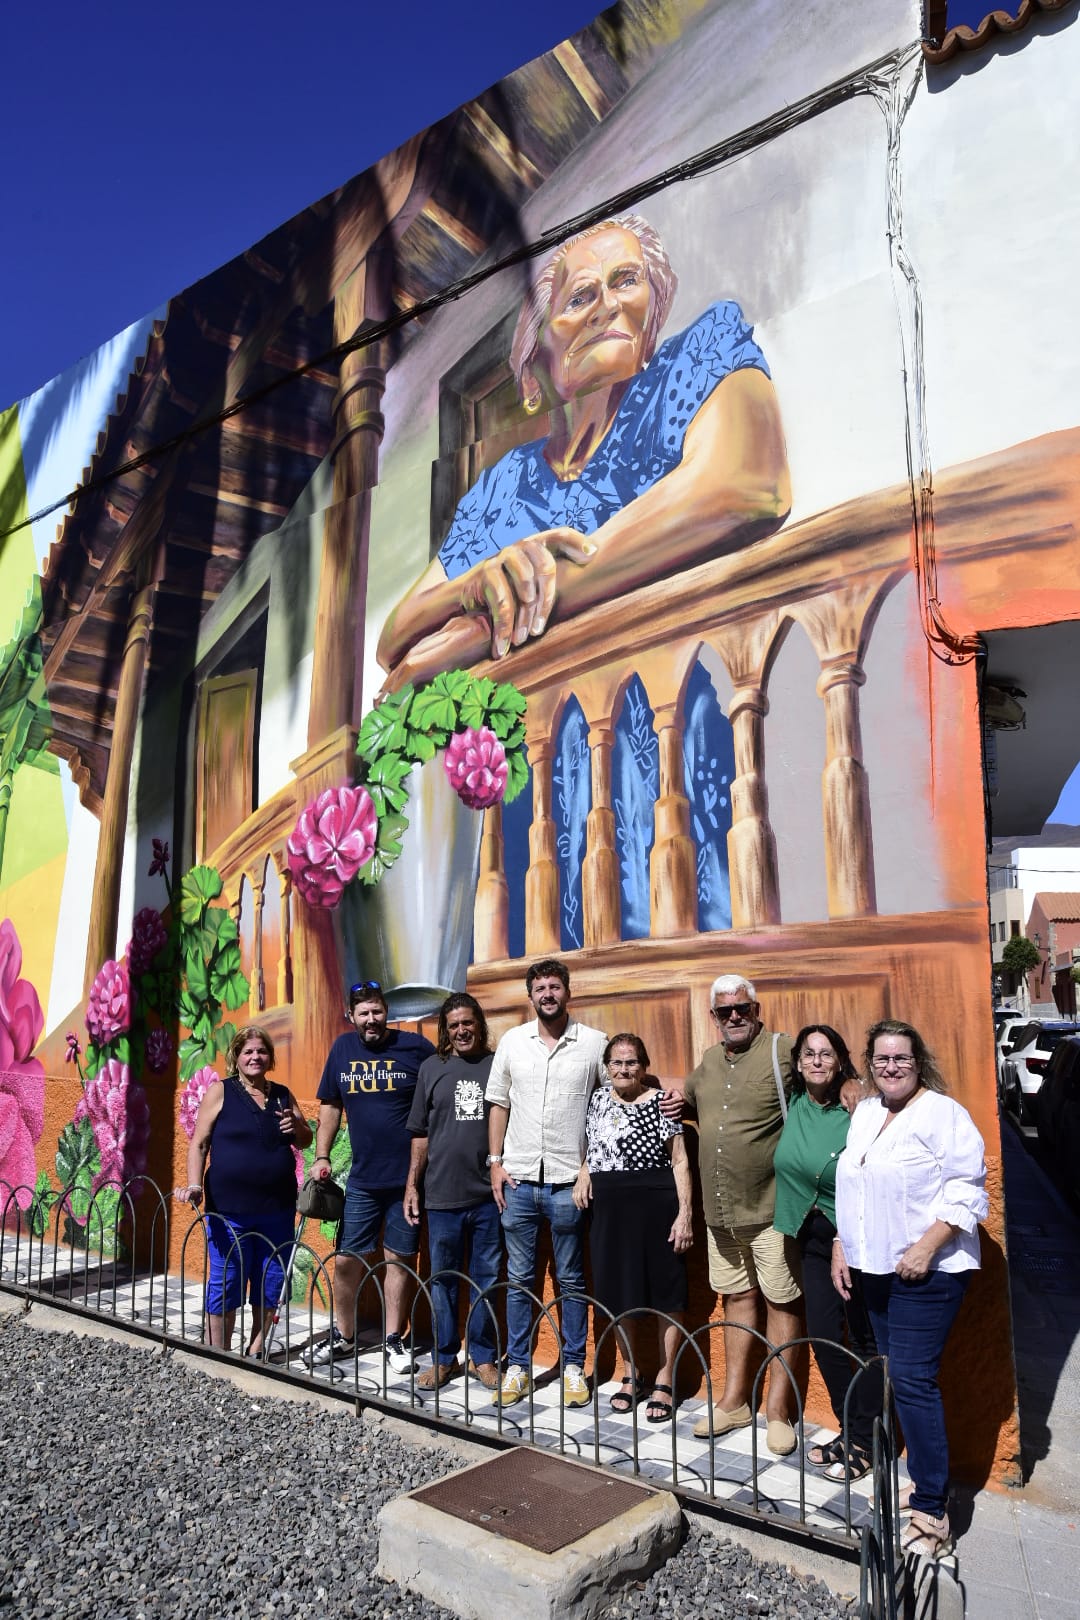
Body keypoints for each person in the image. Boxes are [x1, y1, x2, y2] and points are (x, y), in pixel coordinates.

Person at [376, 213, 790, 693]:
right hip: (539, 755)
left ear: (651, 317)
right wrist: (472, 590)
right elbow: (395, 638)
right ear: (533, 373)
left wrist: (487, 625)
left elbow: (747, 487)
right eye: (580, 296)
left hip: (670, 728)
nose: (607, 305)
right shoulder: (500, 486)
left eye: (626, 281)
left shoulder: (693, 362)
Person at [683, 975, 868, 1452]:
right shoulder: (706, 1061)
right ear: (714, 1018)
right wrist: (662, 1095)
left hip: (770, 1211)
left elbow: (821, 1065)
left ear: (756, 1008)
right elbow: (685, 1096)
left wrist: (849, 1081)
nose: (734, 1017)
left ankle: (779, 1411)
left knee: (782, 1304)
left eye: (741, 1008)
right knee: (737, 1301)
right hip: (720, 1215)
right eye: (724, 1012)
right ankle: (733, 1402)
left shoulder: (781, 1049)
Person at [833, 1020, 988, 1559]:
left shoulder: (943, 1114)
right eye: (881, 1059)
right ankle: (922, 1481)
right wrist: (840, 1244)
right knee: (896, 1377)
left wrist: (927, 1247)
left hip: (928, 1272)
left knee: (915, 1380)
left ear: (918, 1062)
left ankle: (933, 1509)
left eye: (900, 1058)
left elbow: (967, 1189)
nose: (891, 1067)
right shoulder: (869, 1113)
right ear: (870, 1065)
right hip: (875, 1269)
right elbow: (853, 1185)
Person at [485, 958, 608, 1408]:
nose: (548, 994)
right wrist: (495, 1162)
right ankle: (518, 1366)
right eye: (540, 988)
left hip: (568, 1183)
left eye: (555, 986)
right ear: (530, 995)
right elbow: (498, 1103)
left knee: (572, 1280)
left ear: (568, 992)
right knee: (520, 1278)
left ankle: (573, 1366)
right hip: (517, 1180)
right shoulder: (513, 1043)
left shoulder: (593, 1043)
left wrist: (590, 1165)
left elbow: (610, 1104)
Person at [773, 1024, 883, 1481]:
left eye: (827, 1054)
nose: (817, 1061)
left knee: (863, 1339)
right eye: (809, 1054)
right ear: (798, 1063)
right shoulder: (793, 1103)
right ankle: (854, 1430)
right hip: (810, 1235)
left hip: (854, 1234)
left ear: (840, 1061)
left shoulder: (858, 1107)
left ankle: (866, 1440)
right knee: (822, 1333)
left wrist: (861, 1086)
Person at [307, 981, 434, 1373]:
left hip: (407, 1182)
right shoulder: (342, 1049)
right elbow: (330, 1105)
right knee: (346, 1260)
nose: (371, 1019)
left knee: (399, 1260)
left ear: (387, 1013)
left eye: (377, 1011)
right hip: (361, 1180)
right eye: (363, 1013)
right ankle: (345, 1336)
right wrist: (322, 1154)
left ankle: (394, 1339)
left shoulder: (416, 1049)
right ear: (352, 1017)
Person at [572, 1033, 692, 1424]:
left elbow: (679, 1161)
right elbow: (595, 1147)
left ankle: (664, 1376)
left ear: (644, 1066)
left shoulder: (662, 1104)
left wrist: (685, 1213)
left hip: (657, 1205)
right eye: (617, 1063)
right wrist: (583, 1174)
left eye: (632, 1062)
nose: (624, 1070)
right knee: (618, 1293)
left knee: (665, 1295)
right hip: (609, 1209)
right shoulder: (598, 1100)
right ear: (607, 1067)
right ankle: (631, 1373)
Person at [175, 1026, 311, 1355]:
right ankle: (218, 1356)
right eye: (248, 1052)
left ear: (270, 1057)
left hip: (276, 1209)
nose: (255, 1057)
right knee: (226, 1283)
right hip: (229, 1211)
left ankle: (255, 1354)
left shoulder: (281, 1094)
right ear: (236, 1057)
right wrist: (194, 1184)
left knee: (270, 1282)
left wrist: (297, 1126)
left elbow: (305, 1139)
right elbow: (200, 1143)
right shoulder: (220, 1092)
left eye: (261, 1051)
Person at [404, 992, 501, 1391]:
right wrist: (412, 1184)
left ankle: (483, 1358)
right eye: (454, 1024)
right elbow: (420, 1135)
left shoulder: (498, 1066)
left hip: (488, 1197)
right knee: (441, 1279)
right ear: (446, 1030)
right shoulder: (431, 1068)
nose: (462, 1030)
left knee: (487, 1278)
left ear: (479, 1023)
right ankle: (444, 1359)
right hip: (441, 1197)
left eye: (468, 1022)